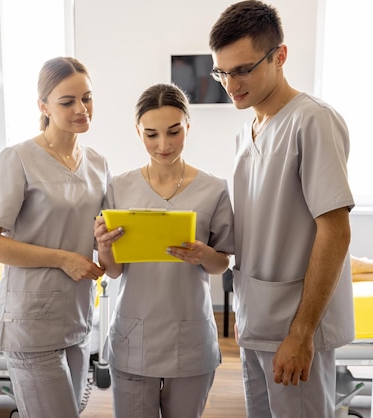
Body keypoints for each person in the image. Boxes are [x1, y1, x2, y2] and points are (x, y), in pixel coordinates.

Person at [208, 2, 356, 417]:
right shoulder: (246, 133)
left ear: (280, 56)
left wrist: (302, 333)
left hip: (296, 324)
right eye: (222, 72)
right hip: (259, 320)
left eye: (243, 69)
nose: (231, 84)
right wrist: (246, 310)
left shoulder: (313, 121)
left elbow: (335, 231)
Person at [0, 56, 109, 418]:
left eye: (87, 98)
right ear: (43, 106)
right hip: (30, 321)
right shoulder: (18, 158)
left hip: (78, 316)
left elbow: (98, 235)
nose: (81, 109)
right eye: (67, 102)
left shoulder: (97, 163)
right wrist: (63, 258)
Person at [93, 83, 234, 418]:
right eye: (151, 134)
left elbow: (222, 262)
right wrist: (103, 245)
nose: (163, 145)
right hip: (134, 333)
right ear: (137, 131)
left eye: (174, 132)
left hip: (190, 334)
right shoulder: (118, 188)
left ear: (188, 125)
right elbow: (113, 270)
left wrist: (204, 255)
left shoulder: (213, 190)